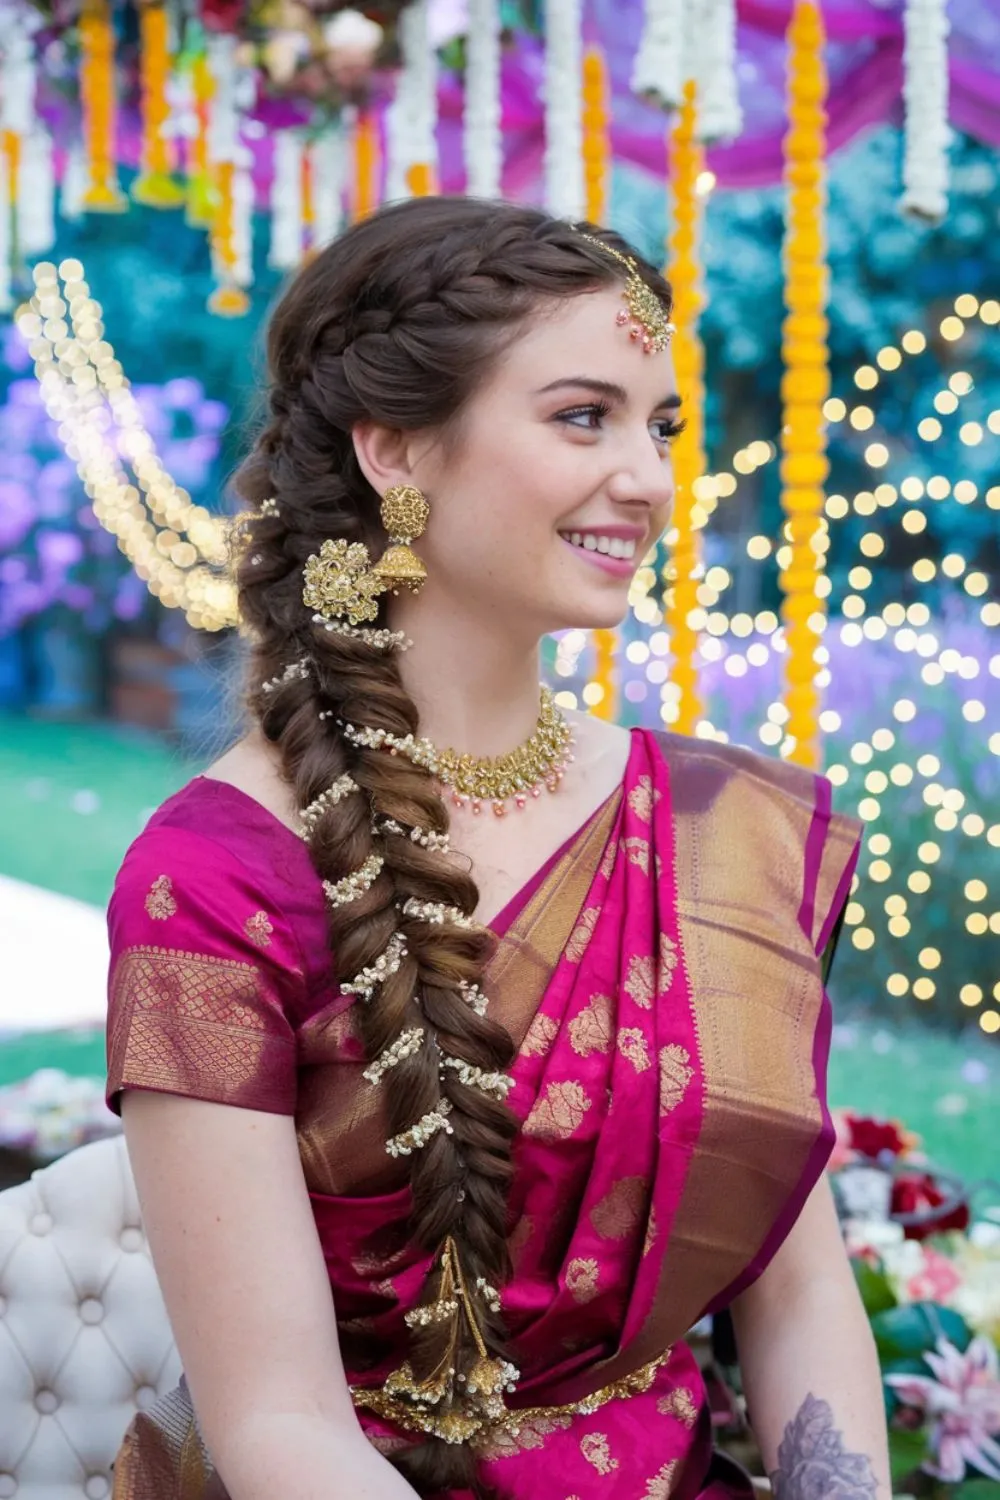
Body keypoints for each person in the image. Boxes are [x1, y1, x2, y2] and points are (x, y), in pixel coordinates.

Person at [105, 196, 887, 1500]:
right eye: (584, 416)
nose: (647, 477)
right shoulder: (221, 880)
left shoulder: (720, 833)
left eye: (663, 426)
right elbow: (280, 1425)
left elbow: (800, 1288)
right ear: (395, 449)